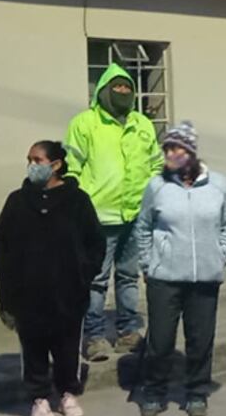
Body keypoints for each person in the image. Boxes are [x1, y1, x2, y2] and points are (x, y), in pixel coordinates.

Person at [0, 141, 106, 416]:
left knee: (66, 346)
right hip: (28, 292)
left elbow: (95, 242)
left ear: (56, 165)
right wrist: (7, 272)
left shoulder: (77, 201)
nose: (32, 165)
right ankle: (39, 398)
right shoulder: (17, 200)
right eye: (29, 159)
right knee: (34, 346)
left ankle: (67, 393)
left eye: (38, 160)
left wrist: (84, 273)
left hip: (67, 290)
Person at [132, 121, 226, 416]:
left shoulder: (218, 184)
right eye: (167, 148)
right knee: (161, 341)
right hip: (164, 277)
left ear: (191, 152)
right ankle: (154, 393)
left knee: (200, 340)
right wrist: (148, 263)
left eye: (177, 147)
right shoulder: (157, 186)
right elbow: (143, 227)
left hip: (205, 277)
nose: (170, 153)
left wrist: (220, 255)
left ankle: (196, 393)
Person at [65, 63, 163, 362]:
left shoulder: (142, 124)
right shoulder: (85, 123)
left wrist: (152, 199)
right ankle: (93, 337)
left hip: (135, 216)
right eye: (116, 87)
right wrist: (82, 208)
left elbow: (156, 164)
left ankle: (128, 332)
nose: (123, 92)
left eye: (127, 87)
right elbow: (72, 169)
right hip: (98, 217)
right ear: (104, 91)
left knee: (128, 276)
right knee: (95, 279)